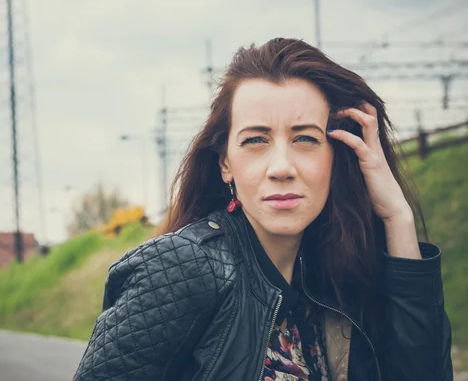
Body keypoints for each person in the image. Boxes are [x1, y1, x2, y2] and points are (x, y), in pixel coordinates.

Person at [73, 38, 453, 381]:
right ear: (225, 164)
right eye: (256, 140)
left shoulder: (331, 282)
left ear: (335, 158)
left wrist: (397, 218)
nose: (282, 168)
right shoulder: (183, 267)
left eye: (305, 138)